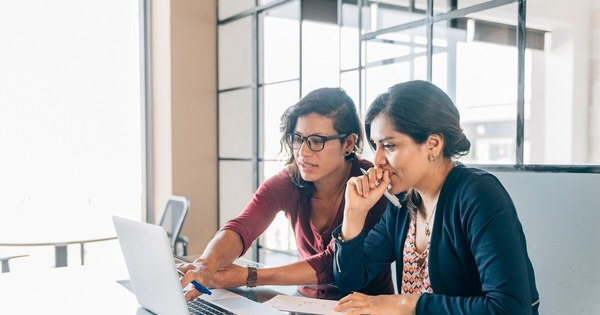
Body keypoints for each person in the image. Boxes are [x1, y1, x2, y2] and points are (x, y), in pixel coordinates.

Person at [332, 80, 540, 314]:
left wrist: (406, 303)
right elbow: (350, 280)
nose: (377, 160)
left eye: (389, 146)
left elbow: (509, 308)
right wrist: (354, 213)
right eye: (374, 146)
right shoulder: (403, 202)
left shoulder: (478, 195)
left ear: (433, 144)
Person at [179, 87, 394, 302]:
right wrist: (206, 264)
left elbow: (331, 265)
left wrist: (249, 276)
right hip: (303, 303)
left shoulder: (372, 186)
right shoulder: (289, 180)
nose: (302, 152)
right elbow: (242, 227)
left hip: (366, 306)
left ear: (348, 143)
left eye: (317, 141)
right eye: (298, 138)